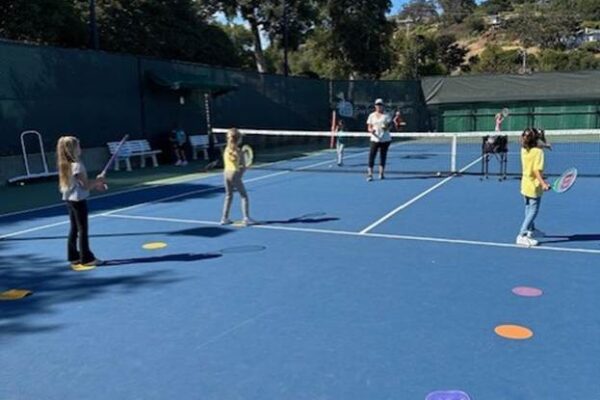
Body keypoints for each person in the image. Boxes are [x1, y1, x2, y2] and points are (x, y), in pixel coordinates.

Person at [56, 136, 106, 270]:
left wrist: (96, 184)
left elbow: (80, 185)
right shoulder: (77, 165)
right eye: (78, 146)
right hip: (78, 200)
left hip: (69, 200)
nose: (80, 148)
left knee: (74, 228)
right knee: (83, 229)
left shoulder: (65, 164)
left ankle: (73, 256)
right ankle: (87, 258)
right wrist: (98, 180)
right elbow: (85, 186)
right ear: (72, 149)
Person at [516, 128, 550, 247]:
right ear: (536, 139)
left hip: (525, 183)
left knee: (527, 207)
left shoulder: (523, 149)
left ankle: (532, 230)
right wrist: (543, 183)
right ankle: (522, 235)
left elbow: (536, 145)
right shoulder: (539, 153)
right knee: (533, 211)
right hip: (534, 186)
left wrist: (544, 145)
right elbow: (536, 171)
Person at [220, 128, 255, 226]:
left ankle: (224, 218)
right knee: (244, 196)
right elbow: (242, 167)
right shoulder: (240, 152)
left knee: (228, 196)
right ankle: (246, 218)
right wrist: (245, 169)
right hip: (234, 174)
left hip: (226, 173)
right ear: (238, 139)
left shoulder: (226, 149)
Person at [366, 98, 392, 181]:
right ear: (375, 106)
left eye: (380, 105)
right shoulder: (371, 115)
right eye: (377, 105)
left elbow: (389, 126)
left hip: (385, 139)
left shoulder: (386, 115)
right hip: (374, 139)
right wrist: (371, 130)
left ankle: (381, 173)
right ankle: (370, 174)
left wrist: (386, 127)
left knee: (383, 156)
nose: (379, 106)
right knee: (372, 156)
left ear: (383, 106)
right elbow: (369, 127)